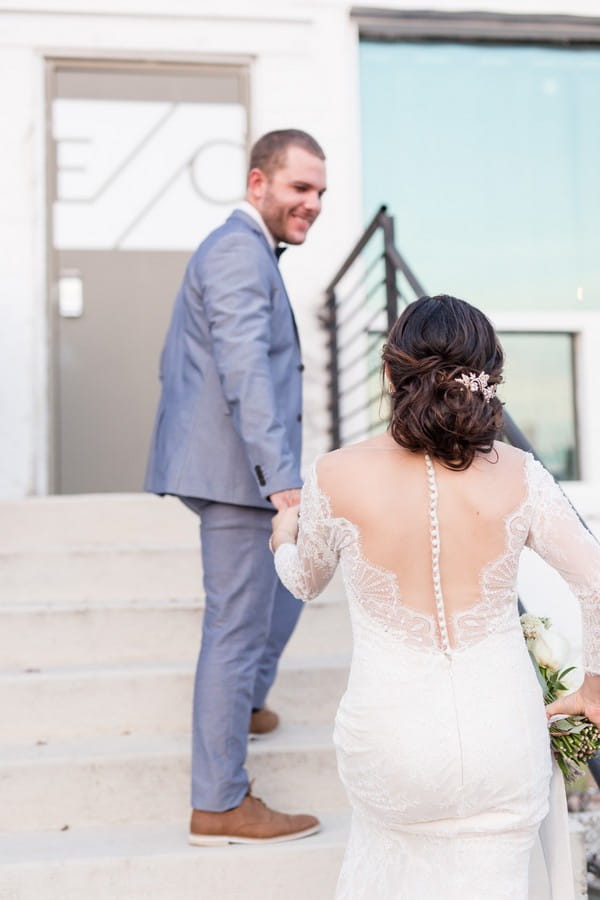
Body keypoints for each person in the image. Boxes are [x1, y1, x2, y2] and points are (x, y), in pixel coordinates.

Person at [271, 294, 600, 898]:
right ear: (488, 380)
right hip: (503, 733)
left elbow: (303, 581)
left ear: (391, 372)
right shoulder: (519, 473)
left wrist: (282, 535)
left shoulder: (332, 474)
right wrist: (596, 687)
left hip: (391, 737)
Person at [145, 129, 326, 845]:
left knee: (295, 581)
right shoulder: (235, 251)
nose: (311, 204)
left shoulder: (250, 253)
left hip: (236, 468)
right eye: (299, 188)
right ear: (258, 184)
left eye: (319, 193)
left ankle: (246, 700)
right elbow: (244, 367)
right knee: (236, 624)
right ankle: (220, 798)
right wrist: (281, 478)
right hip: (235, 474)